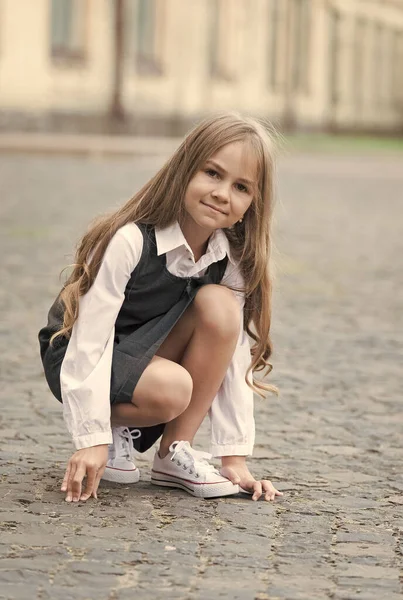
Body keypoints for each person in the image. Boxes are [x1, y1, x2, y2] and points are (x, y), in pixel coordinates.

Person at [38, 113, 283, 505]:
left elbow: (232, 356)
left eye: (241, 187)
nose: (222, 193)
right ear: (184, 170)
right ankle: (115, 430)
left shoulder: (228, 260)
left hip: (145, 356)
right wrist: (93, 438)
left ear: (252, 204)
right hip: (78, 352)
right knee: (173, 387)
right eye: (212, 173)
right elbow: (90, 338)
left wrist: (234, 458)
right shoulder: (131, 240)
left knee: (220, 307)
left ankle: (174, 452)